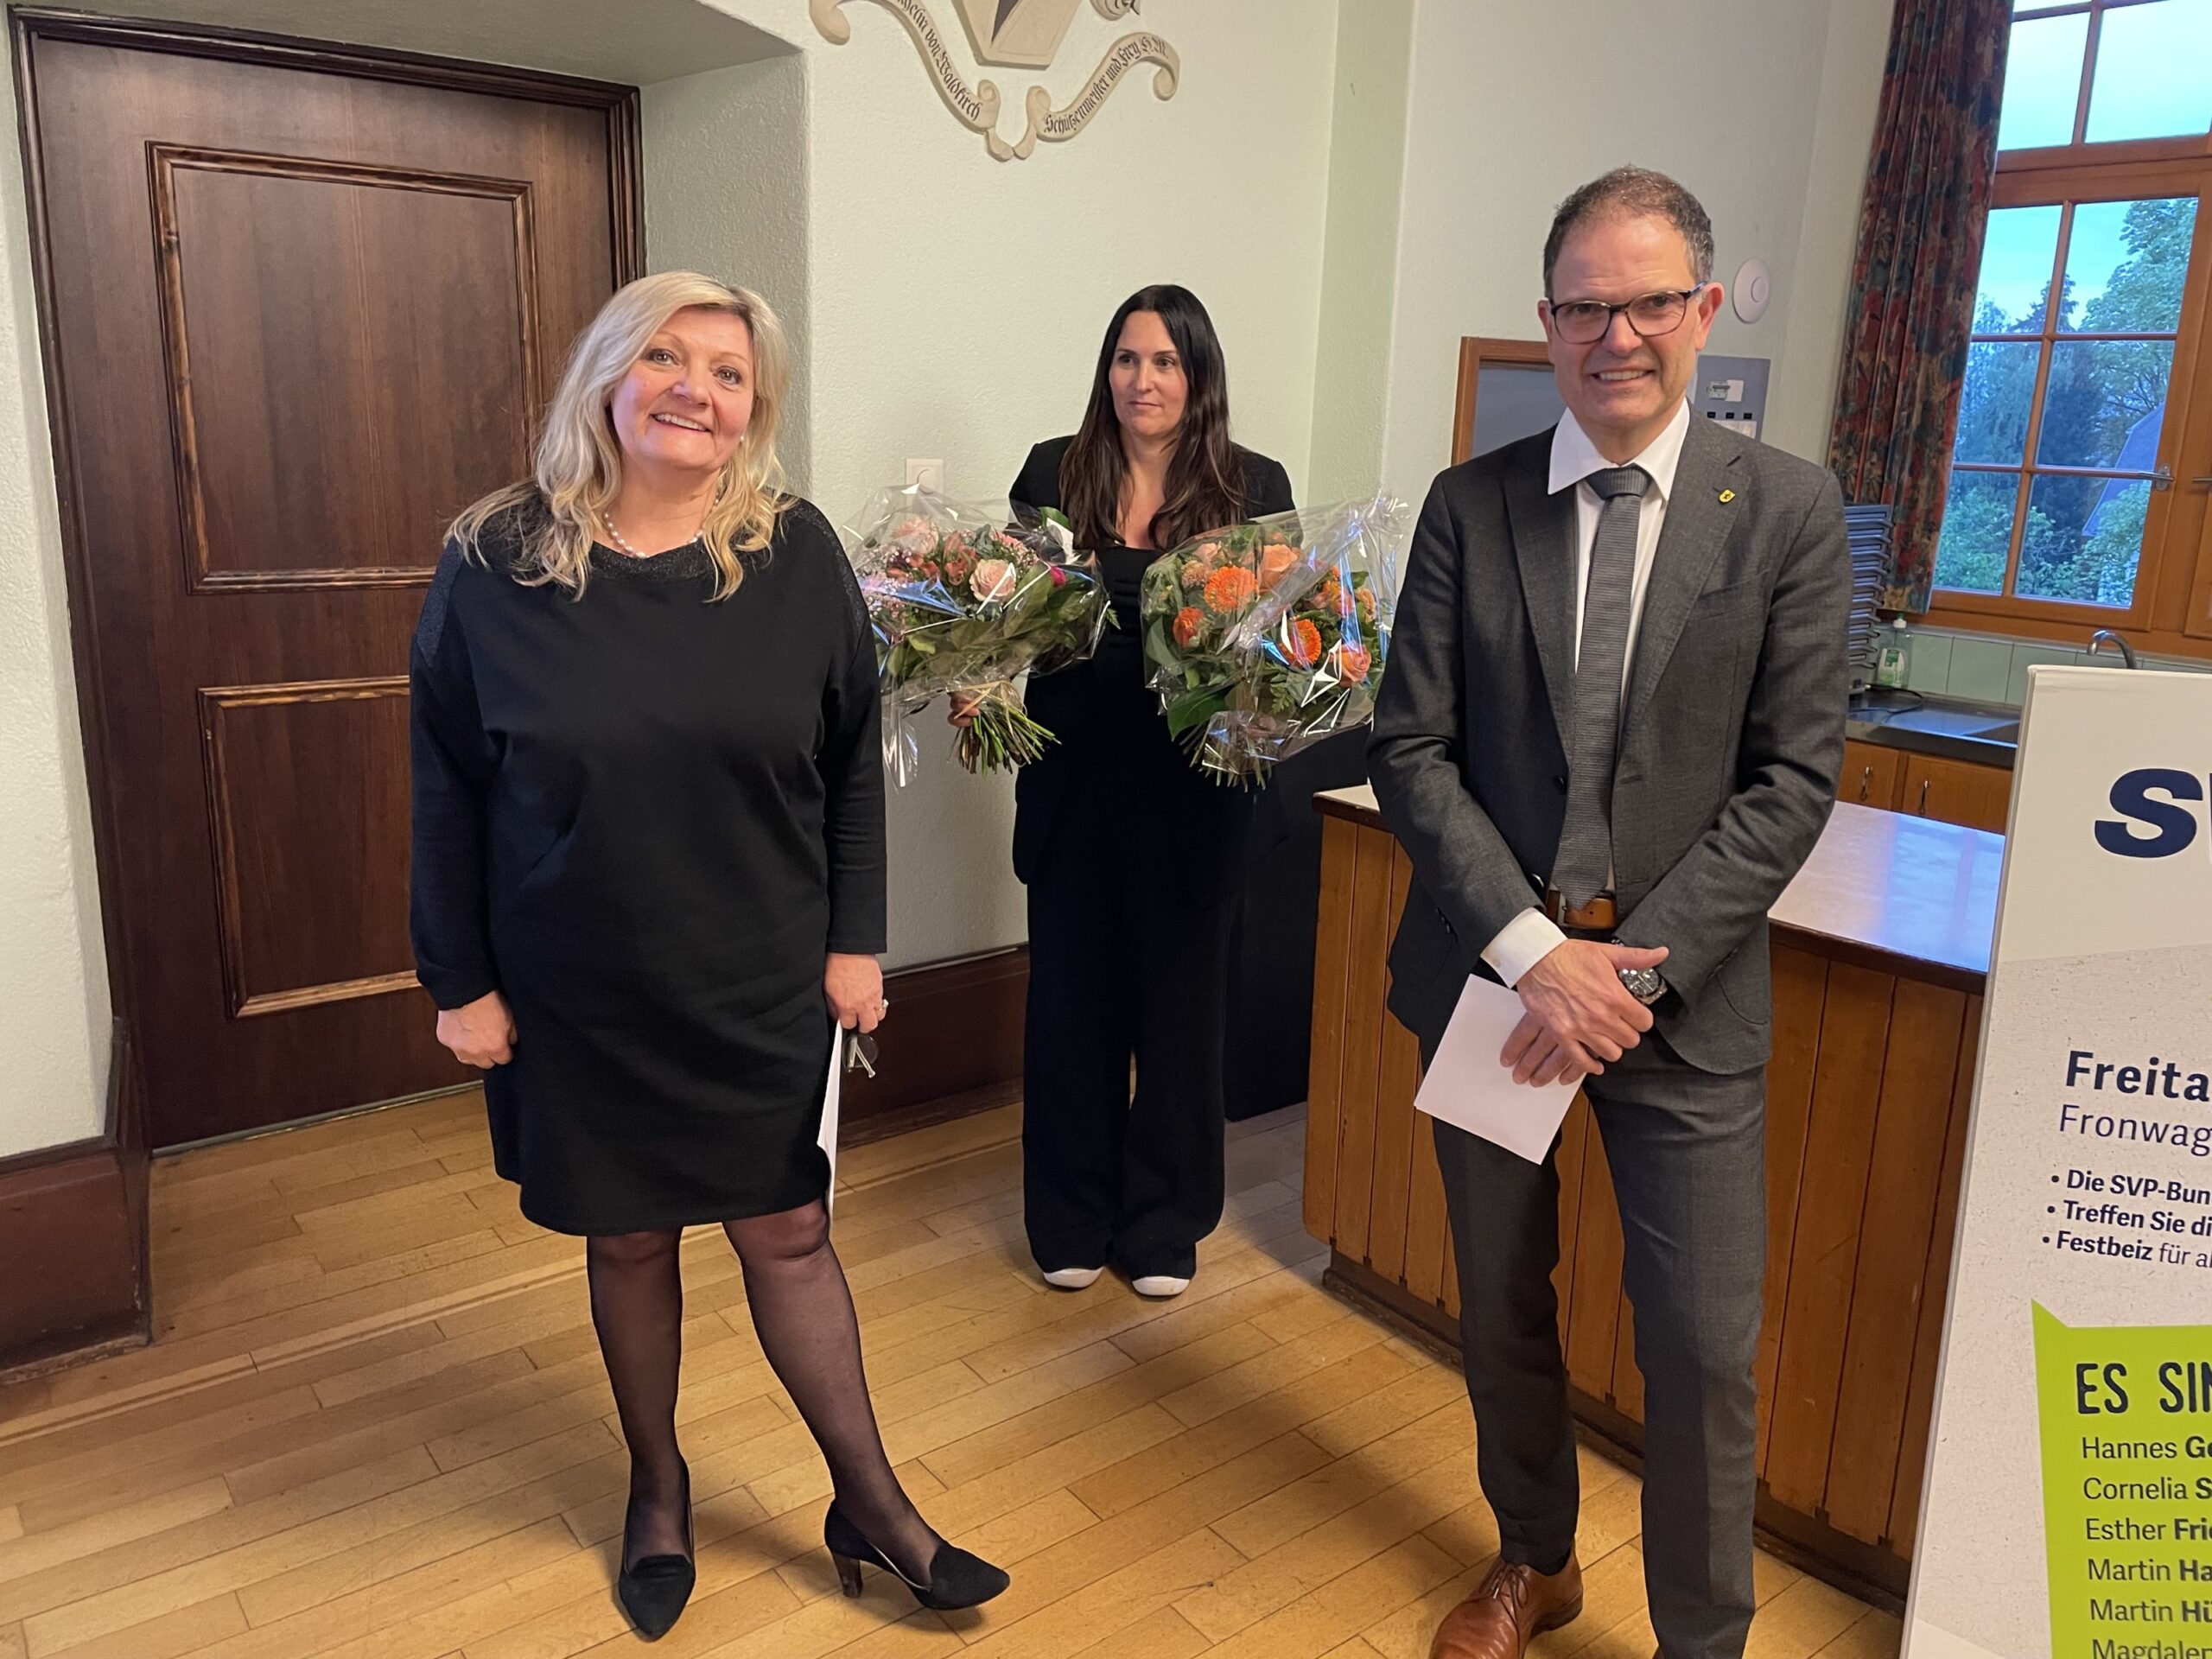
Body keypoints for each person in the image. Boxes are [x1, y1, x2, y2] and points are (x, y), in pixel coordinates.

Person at [410, 271, 1007, 1641]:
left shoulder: (794, 556)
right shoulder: (495, 562)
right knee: (628, 1237)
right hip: (576, 981)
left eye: (730, 373)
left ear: (756, 408)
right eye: (667, 358)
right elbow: (443, 784)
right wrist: (457, 978)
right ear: (607, 378)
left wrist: (858, 942)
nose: (698, 390)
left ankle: (873, 1506)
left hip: (759, 970)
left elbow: (851, 759)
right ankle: (658, 1491)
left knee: (788, 1229)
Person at [1367, 168, 1850, 1659]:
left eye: (1647, 303)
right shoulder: (1471, 505)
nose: (1615, 335)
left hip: (1681, 1008)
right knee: (1500, 1301)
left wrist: (1620, 980)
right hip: (1496, 985)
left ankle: (1704, 1638)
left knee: (1700, 1345)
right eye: (1584, 306)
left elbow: (1792, 779)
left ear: (1701, 310)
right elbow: (1412, 750)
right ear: (1547, 320)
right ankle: (1537, 1559)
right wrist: (1536, 957)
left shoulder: (1787, 511)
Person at [995, 284, 1295, 1299]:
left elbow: (1282, 645)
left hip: (1196, 799)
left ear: (1197, 375)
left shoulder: (1252, 485)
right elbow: (1009, 621)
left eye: (1165, 361)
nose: (1143, 379)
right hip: (1073, 790)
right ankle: (1069, 1217)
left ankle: (1164, 1223)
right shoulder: (1054, 471)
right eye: (1127, 358)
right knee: (1069, 1014)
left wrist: (1280, 704)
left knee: (1180, 1020)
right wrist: (973, 673)